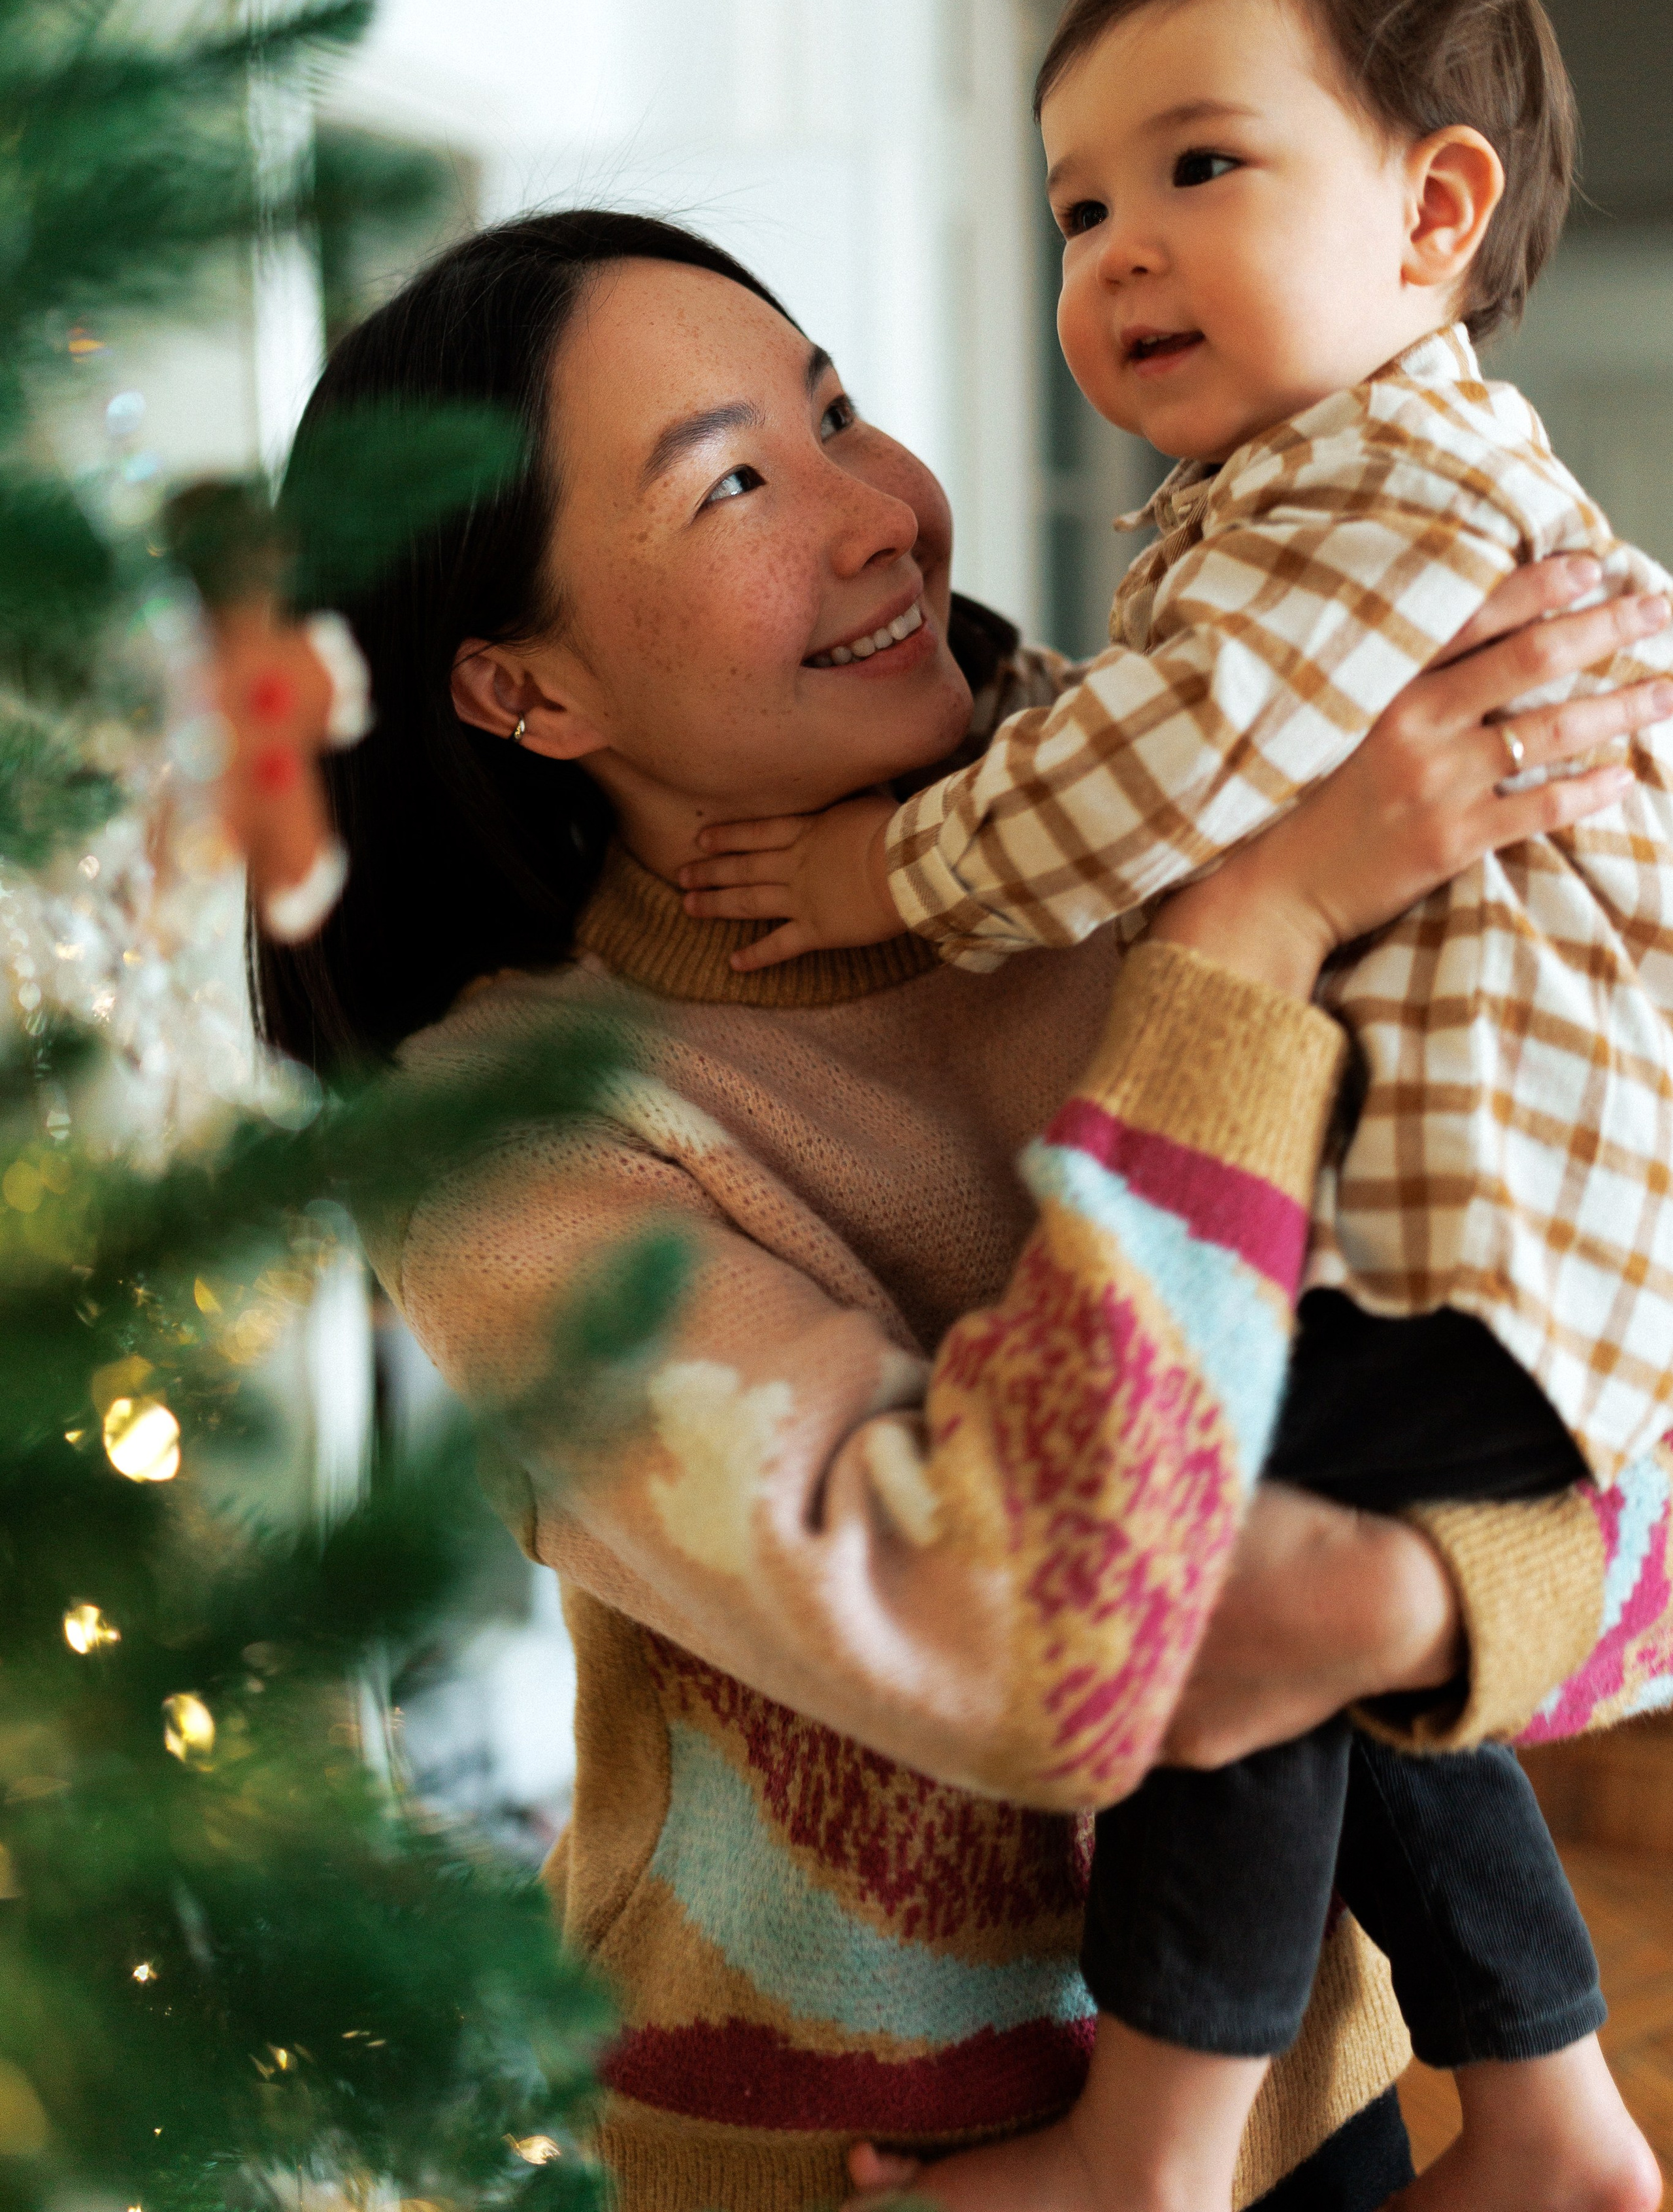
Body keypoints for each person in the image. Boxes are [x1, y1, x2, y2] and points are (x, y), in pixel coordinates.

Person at [256, 209, 1673, 2212]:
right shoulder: (515, 1152)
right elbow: (1054, 1658)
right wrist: (1251, 942)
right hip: (867, 2169)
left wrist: (1399, 1604)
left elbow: (1598, 1351)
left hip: (1316, 2118)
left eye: (835, 410)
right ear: (523, 690)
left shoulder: (1174, 802)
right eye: (737, 479)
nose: (881, 518)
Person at [676, 0, 1673, 2211]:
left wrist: (876, 876)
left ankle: (1148, 2145)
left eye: (1200, 168)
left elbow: (1188, 753)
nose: (1118, 250)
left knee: (1180, 1549)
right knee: (1305, 1601)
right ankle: (1547, 2111)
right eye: (1079, 204)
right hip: (1517, 1263)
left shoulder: (1378, 499)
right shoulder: (1383, 502)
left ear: (1434, 211)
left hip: (1477, 1250)